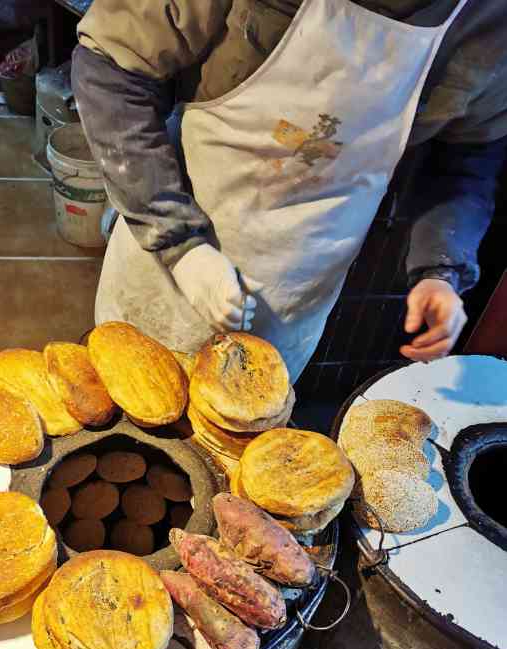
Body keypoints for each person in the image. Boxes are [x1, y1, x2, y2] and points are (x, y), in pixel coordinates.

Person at [71, 0, 507, 381]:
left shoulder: (488, 20)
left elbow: (467, 158)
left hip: (295, 292)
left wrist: (441, 269)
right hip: (168, 259)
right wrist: (179, 244)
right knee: (131, 405)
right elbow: (110, 69)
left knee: (240, 437)